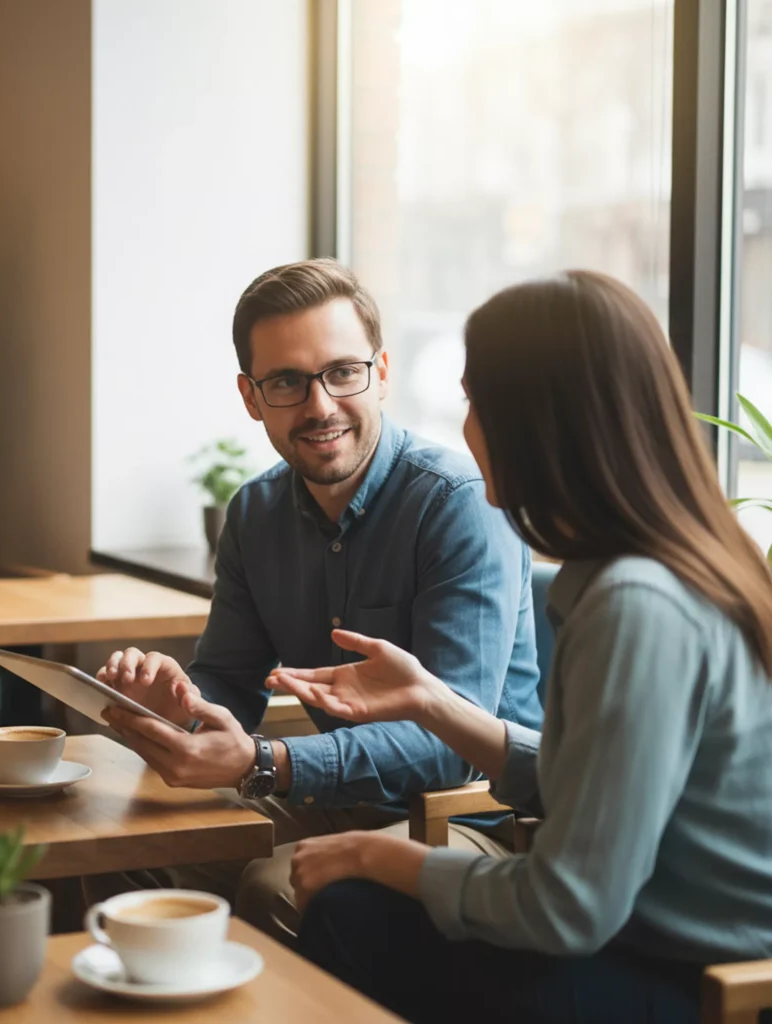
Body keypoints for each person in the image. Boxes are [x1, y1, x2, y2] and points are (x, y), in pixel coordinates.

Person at [267, 270, 772, 1023]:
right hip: (647, 942)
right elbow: (591, 789)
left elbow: (569, 907)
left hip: (696, 980)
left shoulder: (637, 607)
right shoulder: (641, 572)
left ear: (539, 425)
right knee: (354, 914)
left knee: (350, 912)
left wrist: (382, 855)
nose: (467, 428)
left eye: (477, 401)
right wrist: (431, 702)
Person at [92, 258, 542, 943]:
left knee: (273, 889)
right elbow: (228, 683)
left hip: (465, 818)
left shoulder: (456, 505)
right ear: (251, 396)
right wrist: (180, 707)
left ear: (382, 372)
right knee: (124, 848)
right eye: (287, 383)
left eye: (341, 373)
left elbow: (457, 746)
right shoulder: (255, 513)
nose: (320, 405)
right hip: (326, 796)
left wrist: (271, 765)